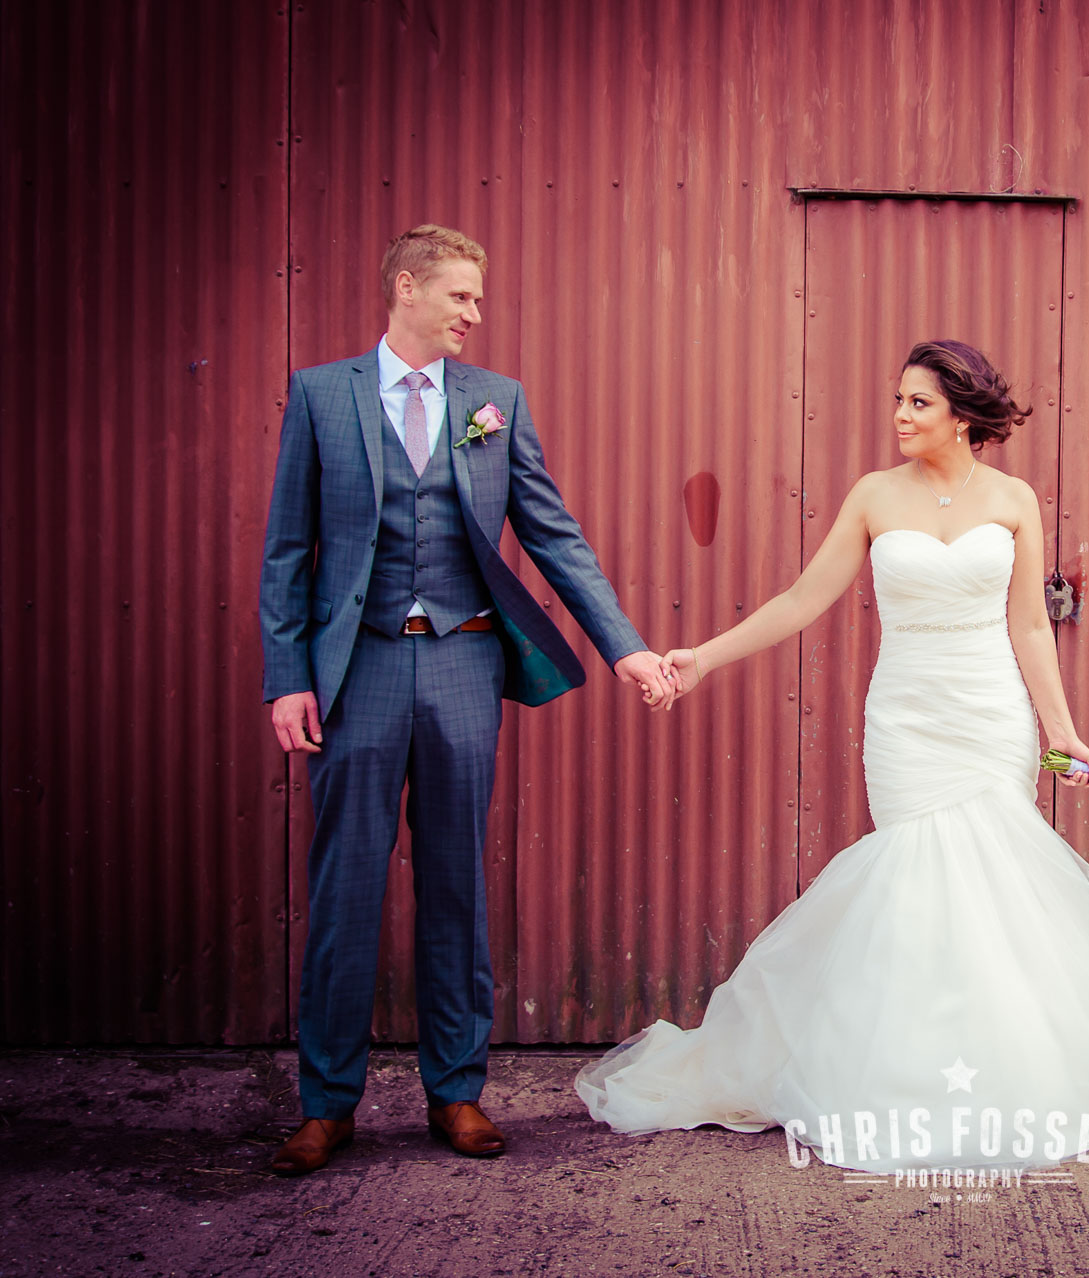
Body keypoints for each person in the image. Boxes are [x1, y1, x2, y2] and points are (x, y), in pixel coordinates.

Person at [577, 340, 1089, 1173]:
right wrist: (703, 658)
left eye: (918, 402)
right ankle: (901, 1077)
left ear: (962, 416)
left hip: (990, 716)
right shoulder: (875, 495)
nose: (900, 416)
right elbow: (803, 599)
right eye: (900, 400)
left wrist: (1059, 728)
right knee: (917, 880)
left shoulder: (1014, 500)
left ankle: (1004, 1076)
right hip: (907, 720)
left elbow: (1028, 624)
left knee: (992, 885)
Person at [259, 224, 678, 1176]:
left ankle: (457, 1093)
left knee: (455, 885)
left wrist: (624, 648)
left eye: (477, 299)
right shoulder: (323, 395)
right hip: (357, 673)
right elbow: (287, 549)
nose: (474, 314)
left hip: (461, 667)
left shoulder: (495, 401)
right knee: (344, 888)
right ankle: (326, 1105)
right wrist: (288, 676)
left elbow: (554, 534)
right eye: (460, 295)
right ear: (406, 288)